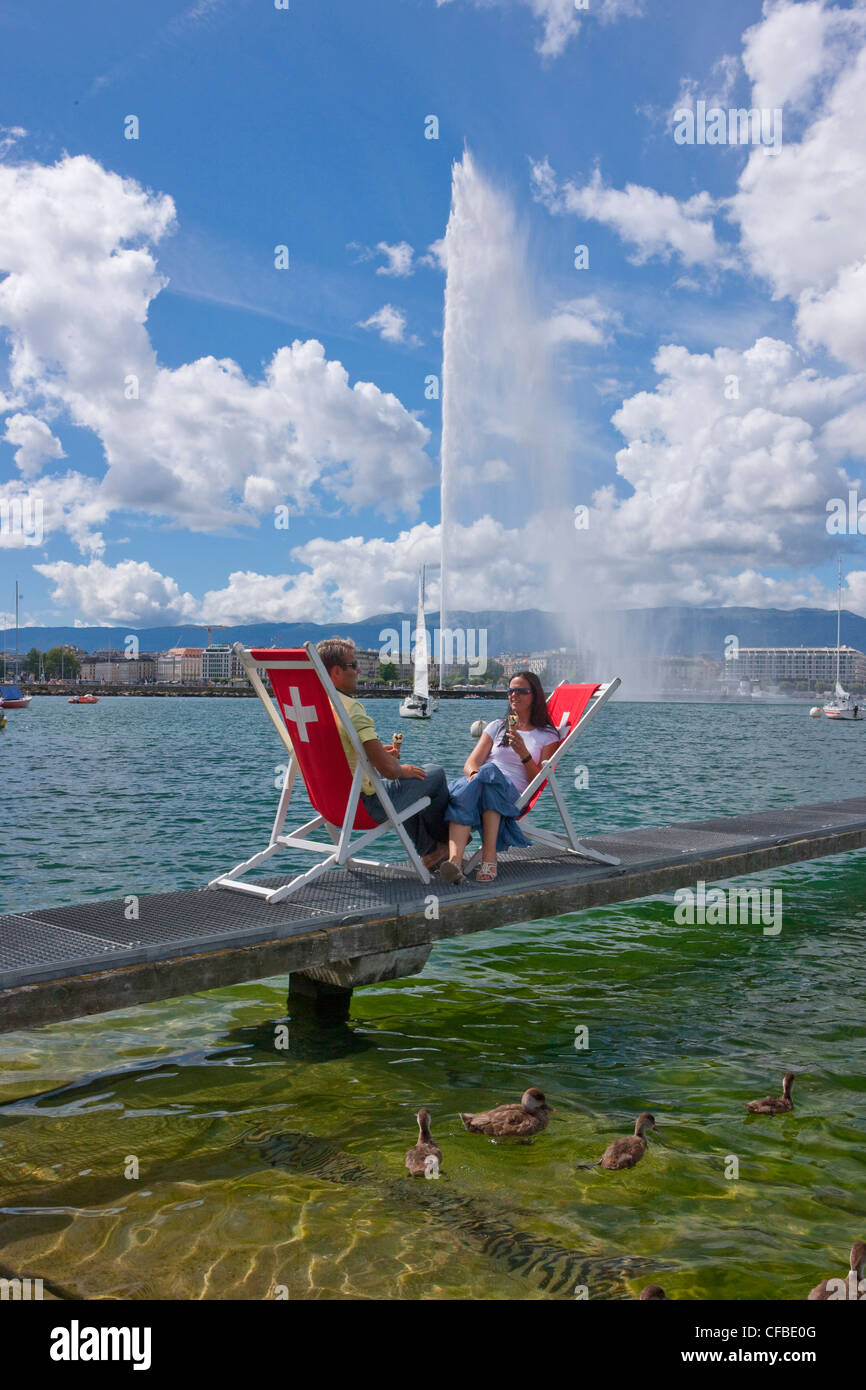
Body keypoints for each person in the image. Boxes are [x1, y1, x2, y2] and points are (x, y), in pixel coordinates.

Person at [316, 638, 450, 870]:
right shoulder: (350, 708)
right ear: (336, 671)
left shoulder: (316, 707)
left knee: (408, 785)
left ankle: (431, 852)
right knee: (433, 774)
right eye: (353, 665)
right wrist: (400, 769)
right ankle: (442, 847)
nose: (358, 670)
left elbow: (337, 754)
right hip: (365, 807)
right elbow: (389, 771)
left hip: (329, 804)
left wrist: (375, 754)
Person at [441, 670, 559, 885]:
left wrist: (523, 753)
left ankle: (481, 857)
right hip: (482, 785)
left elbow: (540, 780)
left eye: (521, 691)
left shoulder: (547, 735)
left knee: (486, 778)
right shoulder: (497, 726)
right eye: (511, 690)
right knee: (483, 778)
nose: (514, 695)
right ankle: (456, 864)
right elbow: (471, 763)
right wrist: (476, 776)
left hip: (514, 794)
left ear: (535, 695)